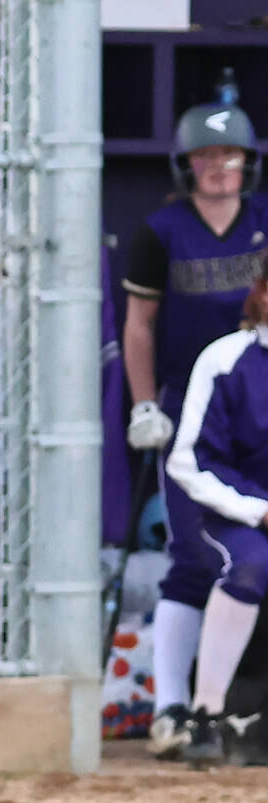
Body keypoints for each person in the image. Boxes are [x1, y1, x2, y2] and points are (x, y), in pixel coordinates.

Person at [121, 99, 268, 758]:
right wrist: (144, 403)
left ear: (248, 163)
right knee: (192, 560)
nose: (218, 168)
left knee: (240, 558)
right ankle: (172, 708)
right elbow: (139, 324)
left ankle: (229, 708)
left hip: (256, 399)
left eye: (229, 156)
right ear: (187, 165)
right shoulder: (161, 231)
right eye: (206, 158)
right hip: (190, 409)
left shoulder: (263, 223)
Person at [165, 254, 268, 768]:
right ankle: (205, 714)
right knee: (250, 565)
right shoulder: (226, 358)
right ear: (262, 294)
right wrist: (257, 510)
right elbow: (189, 460)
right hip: (232, 514)